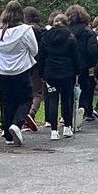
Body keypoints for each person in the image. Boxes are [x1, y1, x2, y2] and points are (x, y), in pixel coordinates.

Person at [0, 0, 39, 146]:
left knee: (7, 101)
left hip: (2, 70)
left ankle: (7, 134)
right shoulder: (25, 30)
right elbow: (34, 50)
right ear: (21, 14)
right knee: (25, 99)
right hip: (21, 69)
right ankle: (17, 124)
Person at [38, 13, 81, 141]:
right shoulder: (71, 37)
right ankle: (67, 127)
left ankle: (54, 131)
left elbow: (41, 57)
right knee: (66, 99)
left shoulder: (45, 37)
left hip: (50, 73)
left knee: (52, 100)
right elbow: (75, 57)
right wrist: (77, 72)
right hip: (67, 73)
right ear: (66, 23)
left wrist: (42, 74)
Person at [66, 5, 98, 124]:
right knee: (86, 89)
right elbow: (93, 50)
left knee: (69, 90)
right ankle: (86, 111)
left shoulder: (65, 31)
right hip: (84, 65)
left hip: (68, 65)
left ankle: (68, 113)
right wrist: (93, 63)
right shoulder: (88, 31)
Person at [24, 6, 47, 129]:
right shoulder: (43, 30)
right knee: (38, 92)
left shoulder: (25, 30)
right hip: (40, 64)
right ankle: (32, 112)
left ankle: (25, 114)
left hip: (27, 64)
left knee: (27, 90)